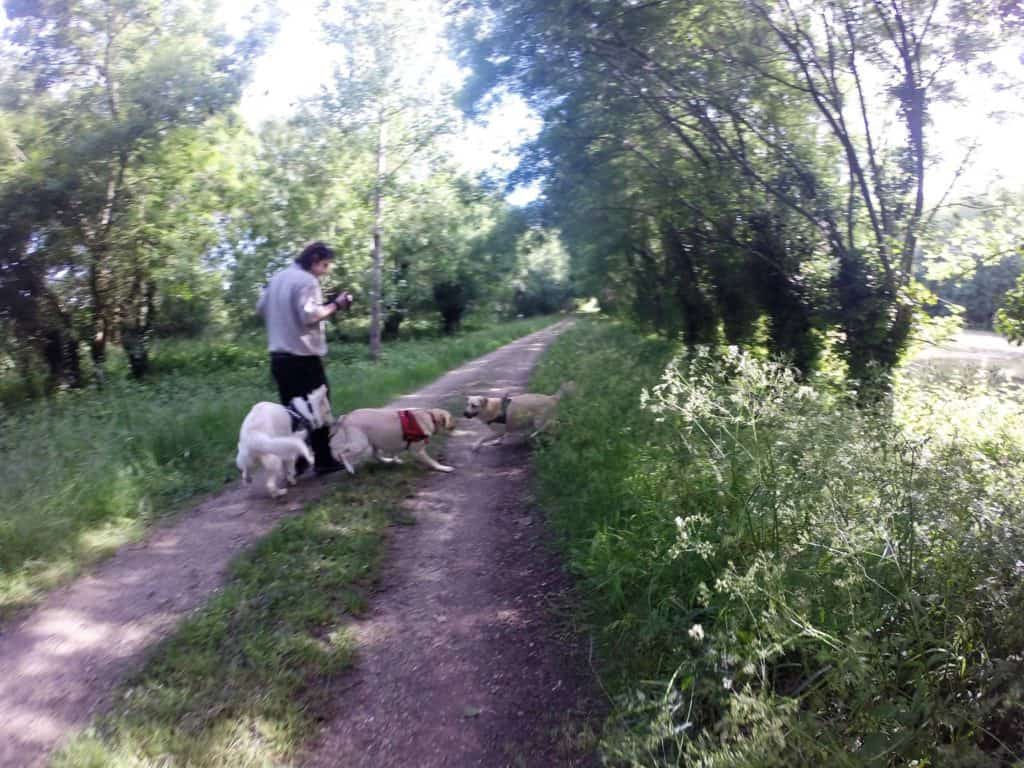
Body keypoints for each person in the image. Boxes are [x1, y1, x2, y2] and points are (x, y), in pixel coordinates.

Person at [256, 241, 353, 475]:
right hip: (302, 357)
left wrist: (283, 318)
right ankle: (323, 460)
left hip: (279, 358)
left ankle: (297, 461)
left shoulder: (278, 278)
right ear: (314, 259)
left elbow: (260, 308)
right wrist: (336, 304)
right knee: (319, 407)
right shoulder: (307, 280)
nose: (325, 271)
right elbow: (310, 316)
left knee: (292, 412)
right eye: (325, 265)